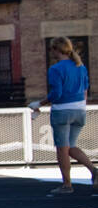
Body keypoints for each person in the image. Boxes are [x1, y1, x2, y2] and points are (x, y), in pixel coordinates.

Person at [30, 36, 94, 195]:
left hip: (62, 112)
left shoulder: (55, 69)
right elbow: (85, 90)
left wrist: (39, 103)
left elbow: (56, 93)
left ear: (56, 50)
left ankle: (67, 185)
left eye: (52, 49)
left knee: (62, 149)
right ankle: (94, 171)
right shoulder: (81, 66)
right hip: (79, 110)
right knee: (71, 146)